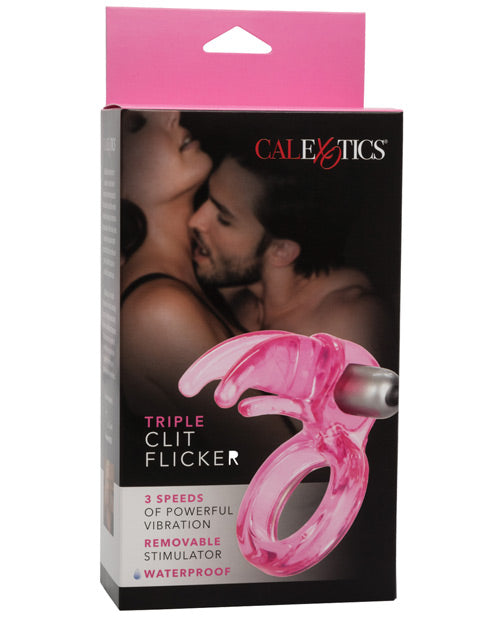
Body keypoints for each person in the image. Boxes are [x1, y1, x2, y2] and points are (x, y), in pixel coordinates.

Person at [119, 111, 293, 480]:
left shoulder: (197, 282)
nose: (171, 113)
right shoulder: (159, 312)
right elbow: (289, 471)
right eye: (138, 125)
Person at [189, 153, 394, 367]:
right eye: (206, 197)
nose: (195, 221)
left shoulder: (348, 326)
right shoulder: (235, 296)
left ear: (282, 251)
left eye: (223, 219)